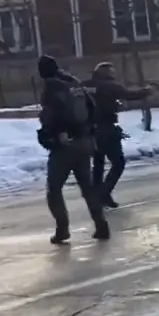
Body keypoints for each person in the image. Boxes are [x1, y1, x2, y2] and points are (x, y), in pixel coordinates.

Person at [36, 55, 110, 244]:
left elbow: (52, 115)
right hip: (84, 142)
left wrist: (52, 134)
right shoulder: (73, 82)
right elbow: (92, 106)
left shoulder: (51, 87)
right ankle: (101, 225)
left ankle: (62, 229)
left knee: (54, 188)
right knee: (87, 186)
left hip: (65, 144)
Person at [81, 62, 151, 208]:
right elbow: (130, 95)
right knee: (118, 163)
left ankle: (95, 195)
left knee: (98, 163)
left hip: (88, 130)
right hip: (106, 128)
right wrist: (147, 90)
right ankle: (104, 193)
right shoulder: (110, 86)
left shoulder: (85, 86)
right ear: (109, 74)